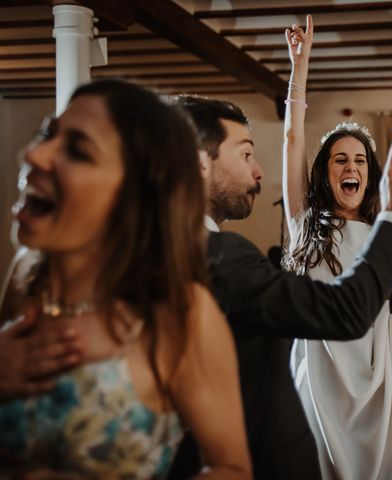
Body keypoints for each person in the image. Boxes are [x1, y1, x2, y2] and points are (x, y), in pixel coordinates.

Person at [167, 89, 392, 477]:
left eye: (359, 160)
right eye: (246, 154)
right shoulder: (223, 255)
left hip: (376, 357)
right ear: (200, 164)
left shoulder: (164, 250)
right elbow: (344, 311)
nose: (258, 172)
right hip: (322, 366)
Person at [0, 79, 251, 479]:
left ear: (132, 195)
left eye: (77, 151)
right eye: (48, 134)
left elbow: (232, 469)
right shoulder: (26, 278)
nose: (32, 153)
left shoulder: (180, 312)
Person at [283, 16, 392, 479]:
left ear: (371, 175)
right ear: (325, 173)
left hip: (383, 367)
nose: (350, 165)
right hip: (325, 371)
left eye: (359, 159)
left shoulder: (385, 230)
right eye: (340, 159)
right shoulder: (304, 222)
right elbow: (293, 137)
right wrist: (300, 69)